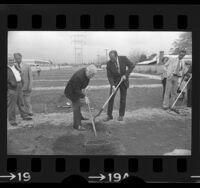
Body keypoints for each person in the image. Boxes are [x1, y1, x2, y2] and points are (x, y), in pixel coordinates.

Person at [104, 50, 135, 122]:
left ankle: (121, 115)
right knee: (111, 98)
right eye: (110, 58)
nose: (112, 60)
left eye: (113, 58)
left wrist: (126, 75)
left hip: (123, 81)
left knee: (123, 99)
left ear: (116, 56)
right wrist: (113, 86)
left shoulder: (123, 59)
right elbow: (109, 76)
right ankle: (109, 115)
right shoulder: (109, 64)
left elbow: (132, 66)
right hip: (114, 82)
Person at [64, 65, 97, 130]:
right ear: (88, 72)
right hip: (71, 92)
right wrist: (84, 96)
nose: (91, 77)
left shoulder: (86, 72)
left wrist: (85, 89)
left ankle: (80, 117)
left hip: (77, 89)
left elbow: (84, 82)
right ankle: (77, 125)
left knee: (79, 104)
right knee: (76, 106)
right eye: (91, 75)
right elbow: (76, 89)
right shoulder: (78, 77)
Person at [7, 54, 32, 126]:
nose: (11, 61)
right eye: (9, 60)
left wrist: (22, 83)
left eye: (12, 60)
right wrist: (10, 85)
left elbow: (20, 74)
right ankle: (12, 120)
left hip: (19, 86)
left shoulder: (15, 67)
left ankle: (24, 116)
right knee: (12, 105)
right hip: (12, 88)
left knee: (21, 102)